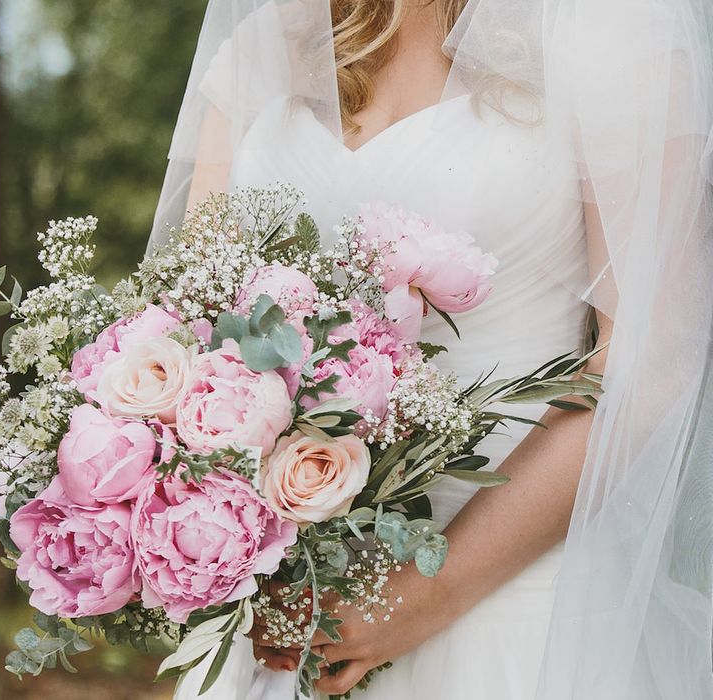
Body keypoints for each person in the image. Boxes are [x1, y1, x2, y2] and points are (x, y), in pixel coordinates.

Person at [149, 1, 713, 698]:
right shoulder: (268, 43)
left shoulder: (613, 30)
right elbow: (189, 330)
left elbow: (650, 365)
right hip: (291, 618)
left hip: (519, 605)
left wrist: (419, 598)